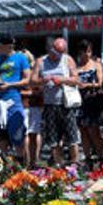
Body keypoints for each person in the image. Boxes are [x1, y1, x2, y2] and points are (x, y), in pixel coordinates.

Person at [36, 37, 81, 166]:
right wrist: (44, 80)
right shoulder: (41, 61)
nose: (58, 56)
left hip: (65, 103)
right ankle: (58, 164)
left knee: (72, 136)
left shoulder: (67, 60)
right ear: (51, 49)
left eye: (61, 53)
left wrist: (62, 80)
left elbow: (76, 80)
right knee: (53, 138)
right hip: (50, 104)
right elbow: (32, 81)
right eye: (56, 53)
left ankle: (75, 164)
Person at [0, 34, 31, 157]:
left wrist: (9, 85)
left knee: (18, 134)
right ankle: (4, 165)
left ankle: (23, 164)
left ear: (8, 46)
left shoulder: (21, 58)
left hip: (13, 100)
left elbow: (27, 80)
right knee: (2, 136)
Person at [76, 39, 103, 167]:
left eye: (89, 51)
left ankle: (100, 157)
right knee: (83, 131)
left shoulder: (96, 65)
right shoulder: (76, 68)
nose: (87, 54)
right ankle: (87, 158)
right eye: (84, 52)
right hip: (79, 102)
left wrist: (86, 85)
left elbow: (100, 83)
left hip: (92, 101)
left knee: (94, 131)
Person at [17, 43, 43, 168]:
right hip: (36, 104)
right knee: (35, 133)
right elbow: (40, 89)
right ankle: (34, 160)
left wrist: (22, 92)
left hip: (25, 104)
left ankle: (27, 162)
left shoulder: (21, 73)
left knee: (27, 134)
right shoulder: (36, 71)